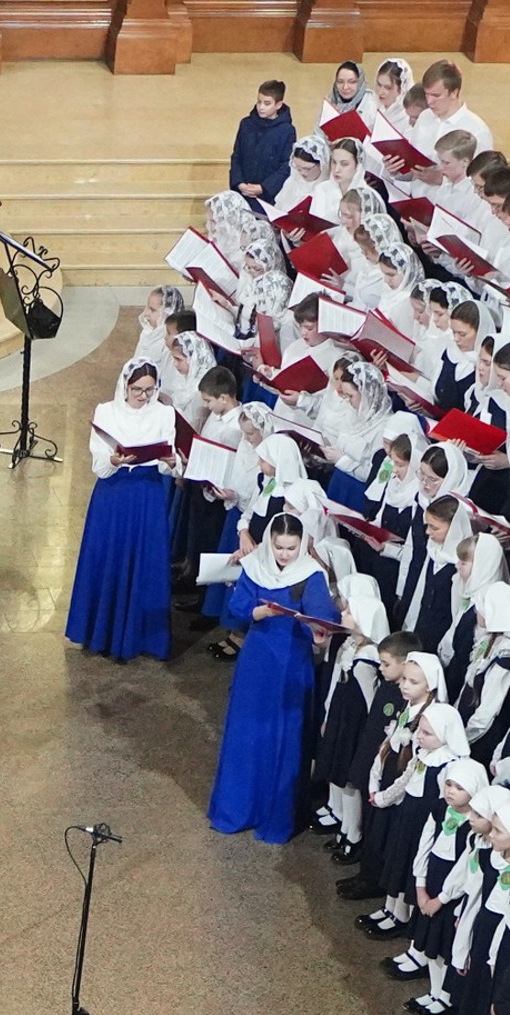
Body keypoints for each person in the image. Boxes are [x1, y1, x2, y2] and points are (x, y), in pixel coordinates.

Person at [207, 511, 336, 840]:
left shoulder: (311, 573)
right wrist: (258, 612)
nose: (284, 555)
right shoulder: (255, 566)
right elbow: (238, 605)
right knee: (248, 731)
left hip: (292, 661)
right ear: (269, 542)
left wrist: (319, 630)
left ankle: (275, 816)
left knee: (284, 734)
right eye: (279, 547)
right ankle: (238, 808)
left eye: (291, 548)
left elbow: (322, 615)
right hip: (258, 660)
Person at [67, 359, 178, 661]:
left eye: (149, 390)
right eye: (137, 390)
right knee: (107, 556)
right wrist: (113, 461)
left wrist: (172, 463)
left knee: (145, 561)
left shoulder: (164, 413)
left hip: (147, 494)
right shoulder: (106, 411)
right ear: (125, 386)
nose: (143, 396)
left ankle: (143, 637)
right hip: (113, 493)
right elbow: (99, 464)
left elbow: (169, 462)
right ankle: (100, 631)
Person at [230, 80, 294, 202]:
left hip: (268, 197)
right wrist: (238, 182)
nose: (261, 107)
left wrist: (264, 187)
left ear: (278, 105)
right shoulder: (246, 124)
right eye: (259, 102)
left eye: (267, 103)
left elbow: (286, 164)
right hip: (243, 191)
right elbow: (237, 156)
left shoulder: (287, 130)